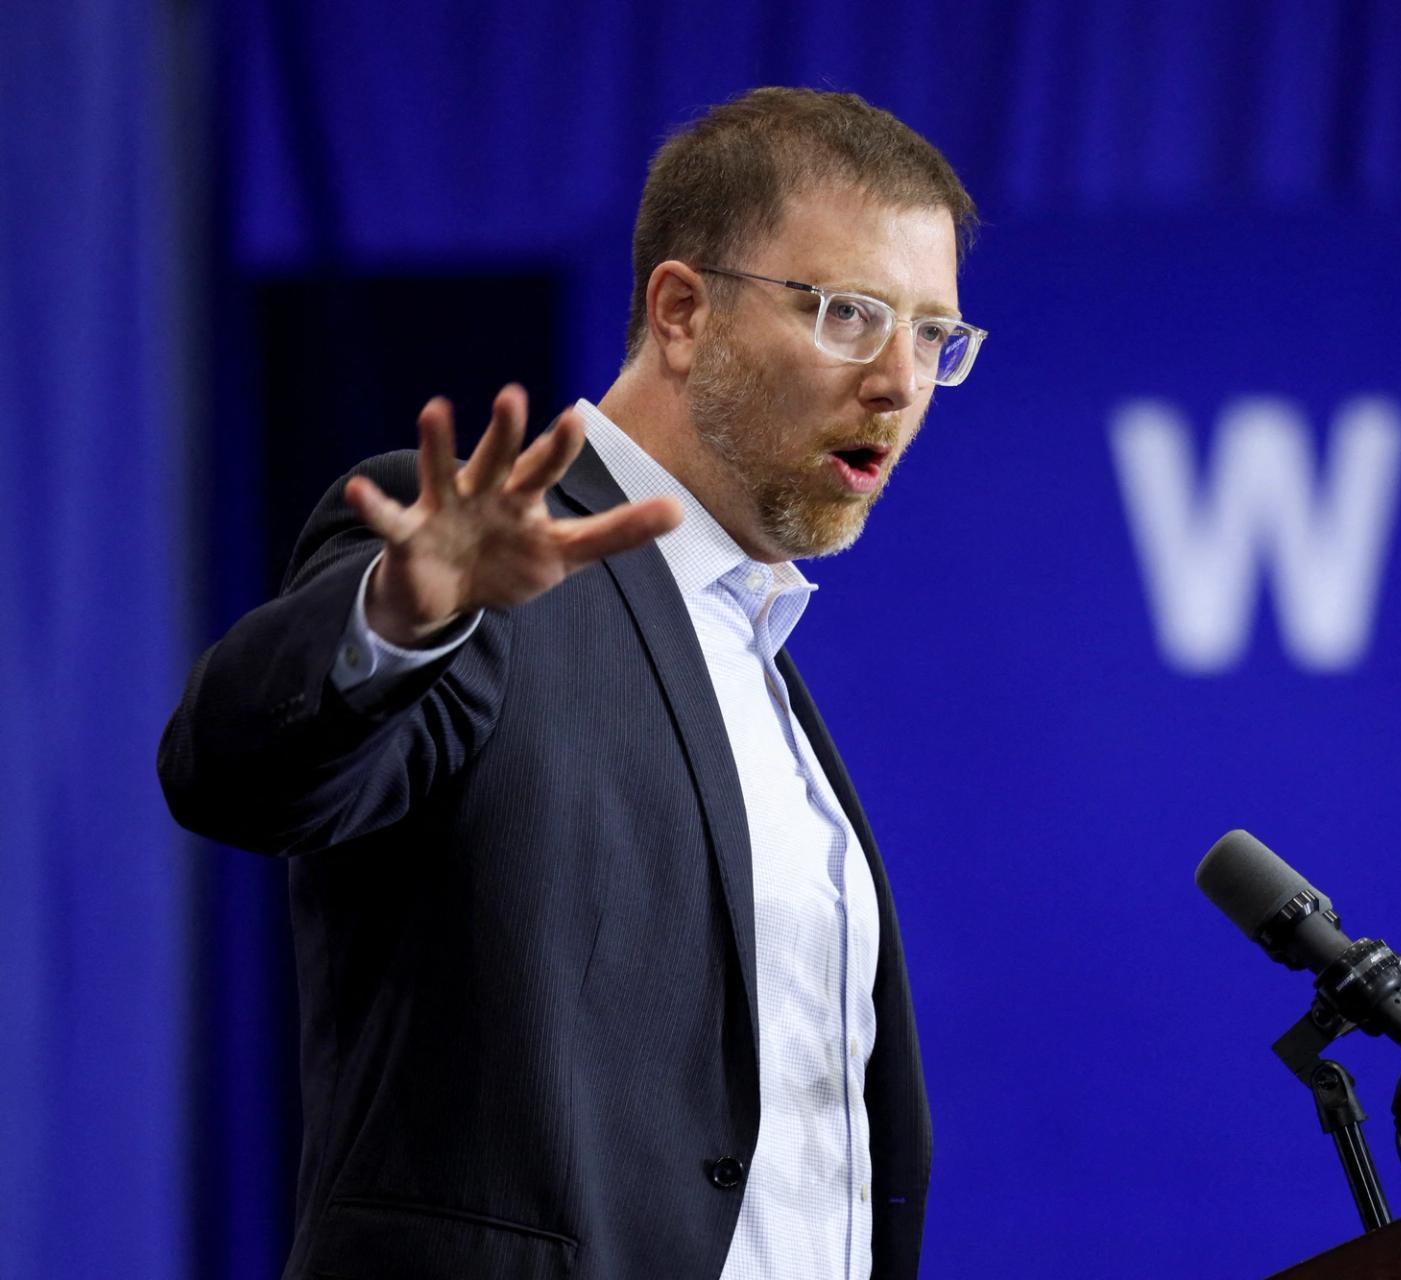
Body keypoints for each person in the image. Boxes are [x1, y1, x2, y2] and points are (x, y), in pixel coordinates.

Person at [158, 86, 985, 1280]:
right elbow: (235, 771)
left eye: (933, 335)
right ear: (684, 311)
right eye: (851, 314)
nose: (900, 382)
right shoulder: (490, 584)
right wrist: (398, 615)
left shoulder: (755, 654)